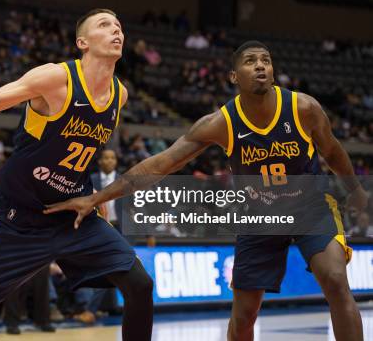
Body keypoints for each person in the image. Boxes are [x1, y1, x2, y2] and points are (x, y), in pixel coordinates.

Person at [48, 41, 367, 341]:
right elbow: (160, 165)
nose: (260, 67)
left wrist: (355, 190)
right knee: (244, 315)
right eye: (250, 61)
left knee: (336, 279)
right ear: (233, 76)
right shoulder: (221, 122)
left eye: (266, 61)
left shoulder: (303, 108)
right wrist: (97, 197)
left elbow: (333, 151)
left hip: (310, 206)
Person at [0, 8, 153, 341]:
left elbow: (82, 150)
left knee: (140, 284)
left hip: (72, 217)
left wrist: (94, 196)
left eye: (119, 26)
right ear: (83, 42)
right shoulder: (55, 78)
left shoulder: (119, 94)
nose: (116, 31)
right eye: (105, 26)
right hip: (20, 218)